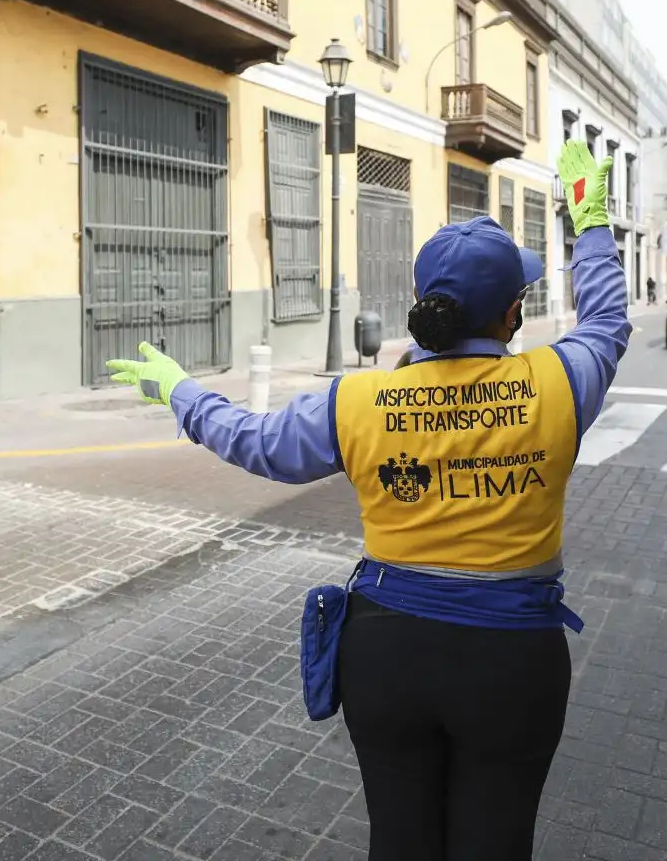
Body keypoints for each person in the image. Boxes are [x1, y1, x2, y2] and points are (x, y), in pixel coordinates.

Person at [107, 142, 631, 861]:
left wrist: (181, 390)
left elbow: (257, 442)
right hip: (513, 662)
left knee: (400, 840)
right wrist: (592, 220)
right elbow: (605, 322)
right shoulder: (560, 384)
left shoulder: (357, 401)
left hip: (385, 654)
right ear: (513, 316)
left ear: (426, 307)